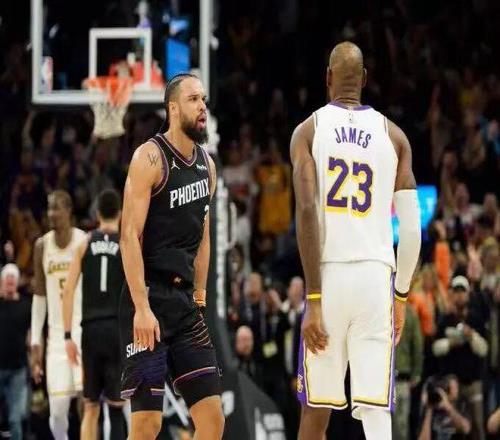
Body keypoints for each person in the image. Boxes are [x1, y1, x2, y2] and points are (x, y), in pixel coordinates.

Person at [291, 42, 421, 440]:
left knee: (315, 410)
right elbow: (411, 231)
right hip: (375, 277)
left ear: (328, 77)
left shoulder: (308, 131)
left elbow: (307, 211)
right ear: (364, 80)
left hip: (328, 276)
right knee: (376, 409)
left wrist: (313, 298)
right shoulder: (395, 137)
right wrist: (401, 296)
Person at [119, 73, 224, 439]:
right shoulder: (150, 157)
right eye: (194, 100)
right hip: (148, 297)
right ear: (173, 108)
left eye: (204, 100)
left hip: (184, 305)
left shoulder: (207, 166)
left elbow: (203, 236)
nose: (202, 107)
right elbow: (128, 237)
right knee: (147, 424)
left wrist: (200, 297)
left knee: (213, 420)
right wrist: (141, 307)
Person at [62, 189, 126, 440]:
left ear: (97, 214)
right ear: (120, 213)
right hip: (116, 330)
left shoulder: (84, 243)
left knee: (90, 407)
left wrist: (67, 335)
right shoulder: (125, 244)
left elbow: (68, 290)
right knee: (117, 408)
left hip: (90, 329)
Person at [30, 190, 87, 440]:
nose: (51, 214)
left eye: (56, 208)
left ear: (69, 211)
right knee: (57, 412)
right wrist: (36, 340)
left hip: (83, 331)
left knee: (87, 402)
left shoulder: (83, 241)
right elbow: (39, 297)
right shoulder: (42, 246)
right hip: (56, 338)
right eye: (49, 208)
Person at [432, 275, 488, 440]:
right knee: (451, 429)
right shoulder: (445, 319)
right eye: (456, 291)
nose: (459, 295)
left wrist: (471, 336)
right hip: (451, 384)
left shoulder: (476, 319)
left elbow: (484, 350)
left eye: (462, 291)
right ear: (451, 294)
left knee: (477, 427)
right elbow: (435, 348)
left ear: (468, 294)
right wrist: (451, 343)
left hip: (473, 382)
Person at [0, 264, 31, 440]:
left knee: (15, 418)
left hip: (18, 370)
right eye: (7, 277)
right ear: (2, 282)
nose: (10, 280)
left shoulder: (26, 305)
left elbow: (31, 336)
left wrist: (35, 362)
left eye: (13, 277)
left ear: (17, 282)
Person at [418, 375, 471, 440]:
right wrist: (429, 409)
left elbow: (466, 429)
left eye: (456, 388)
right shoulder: (433, 406)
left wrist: (447, 407)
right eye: (450, 388)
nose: (453, 392)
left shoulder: (461, 404)